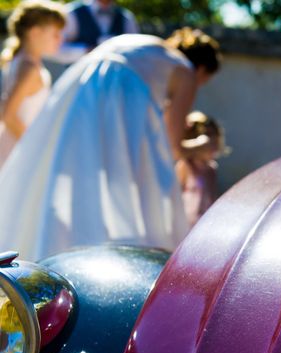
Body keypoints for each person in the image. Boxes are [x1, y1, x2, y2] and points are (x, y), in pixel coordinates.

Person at [0, 27, 222, 260]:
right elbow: (172, 147)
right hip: (120, 92)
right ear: (203, 69)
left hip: (80, 83)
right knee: (132, 180)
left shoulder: (145, 45)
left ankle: (45, 246)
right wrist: (204, 145)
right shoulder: (185, 71)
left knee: (67, 169)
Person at [0, 1, 65, 167]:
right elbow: (8, 115)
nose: (60, 39)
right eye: (55, 33)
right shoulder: (29, 68)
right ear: (35, 32)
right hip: (17, 150)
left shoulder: (20, 61)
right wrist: (34, 148)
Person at [175, 111, 227, 227]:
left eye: (215, 138)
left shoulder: (211, 169)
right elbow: (175, 193)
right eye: (208, 139)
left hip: (202, 222)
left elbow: (211, 197)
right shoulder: (185, 166)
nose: (212, 145)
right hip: (185, 223)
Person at [53, 0, 138, 63]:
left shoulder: (126, 18)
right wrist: (86, 51)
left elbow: (136, 53)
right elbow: (56, 49)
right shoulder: (72, 13)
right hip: (79, 81)